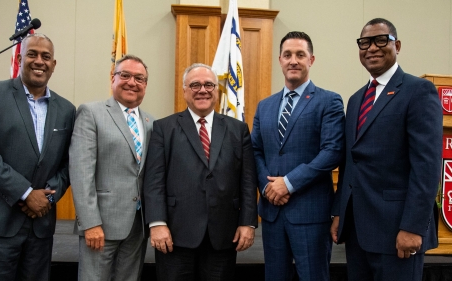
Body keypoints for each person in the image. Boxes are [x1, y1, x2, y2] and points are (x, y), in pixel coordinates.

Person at [330, 18, 442, 281]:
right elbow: (350, 161)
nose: (372, 48)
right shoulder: (356, 99)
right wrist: (339, 213)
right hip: (358, 232)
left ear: (397, 45)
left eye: (381, 40)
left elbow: (426, 167)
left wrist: (413, 228)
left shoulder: (418, 91)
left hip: (398, 233)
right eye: (364, 42)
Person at [0, 33, 75, 281]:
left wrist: (46, 196)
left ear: (53, 65)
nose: (39, 61)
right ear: (20, 57)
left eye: (46, 57)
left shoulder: (66, 110)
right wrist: (26, 193)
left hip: (40, 225)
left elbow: (69, 163)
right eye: (32, 54)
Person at [143, 63, 257, 281]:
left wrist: (248, 222)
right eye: (195, 85)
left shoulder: (238, 129)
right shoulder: (164, 128)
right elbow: (154, 181)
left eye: (208, 85)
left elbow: (248, 181)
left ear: (216, 90)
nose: (202, 90)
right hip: (174, 235)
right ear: (184, 90)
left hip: (223, 235)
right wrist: (157, 223)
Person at [251, 31, 345, 281]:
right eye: (288, 55)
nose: (293, 60)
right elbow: (255, 150)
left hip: (311, 215)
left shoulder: (329, 101)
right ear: (280, 60)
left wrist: (288, 183)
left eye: (300, 55)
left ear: (311, 60)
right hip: (273, 213)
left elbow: (332, 151)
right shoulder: (265, 106)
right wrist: (269, 187)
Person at [69, 54, 155, 281]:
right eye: (125, 75)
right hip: (101, 225)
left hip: (137, 227)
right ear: (113, 78)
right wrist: (90, 223)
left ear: (145, 84)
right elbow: (81, 172)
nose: (132, 82)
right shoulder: (91, 113)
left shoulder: (151, 122)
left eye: (139, 78)